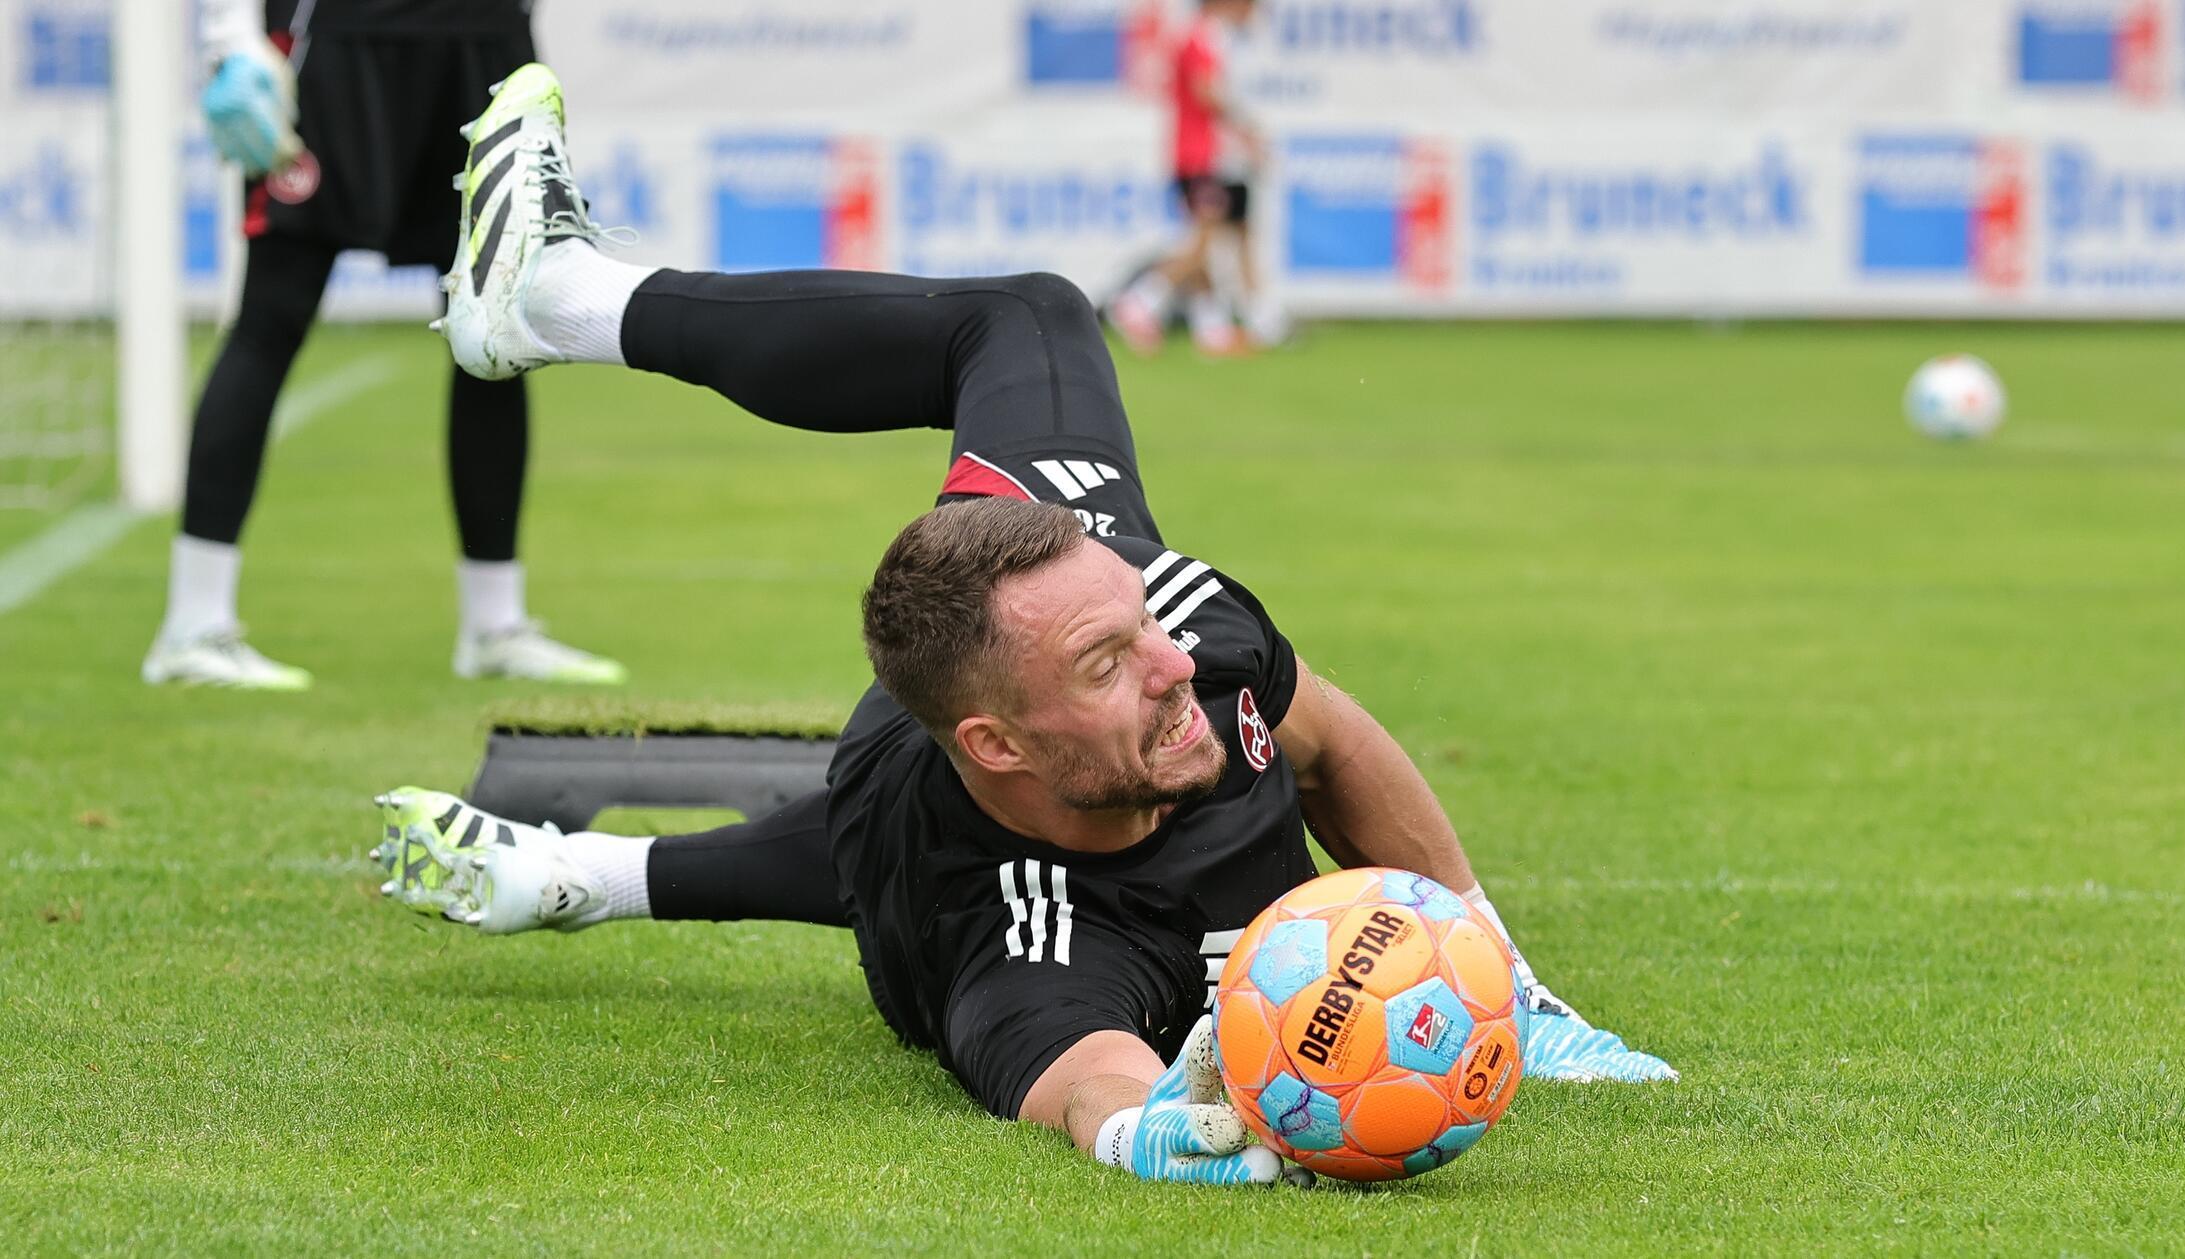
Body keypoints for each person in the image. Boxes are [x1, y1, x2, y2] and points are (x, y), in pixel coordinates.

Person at [371, 63, 1673, 1187]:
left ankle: (559, 297)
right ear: (994, 741)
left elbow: (1325, 738)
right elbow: (1082, 1073)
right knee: (839, 854)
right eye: (1116, 663)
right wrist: (1146, 1132)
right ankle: (583, 878)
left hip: (1015, 651)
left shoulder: (1169, 619)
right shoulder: (1012, 925)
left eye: (1139, 627)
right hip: (934, 816)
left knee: (1034, 313)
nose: (1178, 669)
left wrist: (1498, 968)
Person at [143, 0, 622, 690]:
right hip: (337, 34)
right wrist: (232, 39)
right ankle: (192, 624)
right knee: (271, 319)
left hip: (485, 41)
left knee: (497, 330)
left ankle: (495, 624)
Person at [1109, 0, 1286, 355]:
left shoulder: (1213, 36)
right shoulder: (1202, 35)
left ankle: (1218, 329)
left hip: (1213, 156)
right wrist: (1247, 130)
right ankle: (1138, 302)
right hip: (1202, 157)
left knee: (1229, 234)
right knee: (1205, 238)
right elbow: (1206, 91)